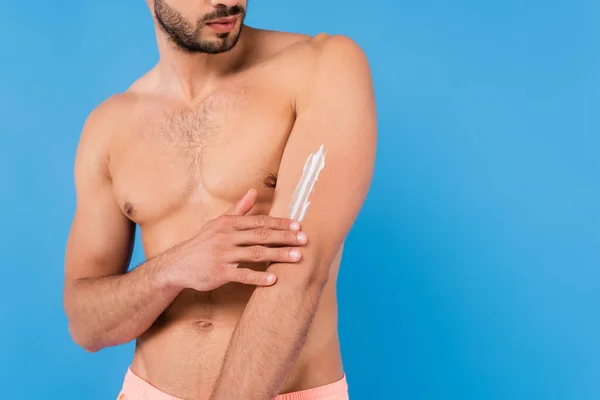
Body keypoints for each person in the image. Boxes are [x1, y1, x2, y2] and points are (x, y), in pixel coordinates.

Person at [62, 0, 377, 399]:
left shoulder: (322, 67)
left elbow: (300, 272)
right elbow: (86, 325)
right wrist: (170, 269)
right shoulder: (109, 127)